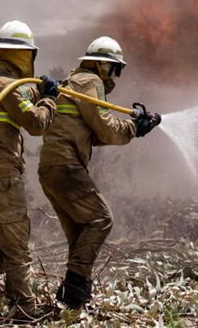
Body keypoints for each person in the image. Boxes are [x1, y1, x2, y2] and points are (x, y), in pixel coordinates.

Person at [38, 36, 161, 309]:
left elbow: (91, 134)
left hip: (51, 168)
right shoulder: (89, 82)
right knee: (101, 219)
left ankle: (73, 302)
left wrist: (134, 128)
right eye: (110, 67)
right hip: (67, 166)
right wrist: (134, 129)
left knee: (80, 233)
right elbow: (104, 126)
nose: (112, 73)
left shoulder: (73, 83)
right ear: (99, 64)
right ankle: (75, 286)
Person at [0, 20, 59, 319]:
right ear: (23, 55)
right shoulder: (8, 88)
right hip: (1, 181)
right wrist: (50, 100)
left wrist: (35, 94)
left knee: (0, 250)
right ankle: (24, 312)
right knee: (17, 252)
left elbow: (14, 105)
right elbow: (36, 125)